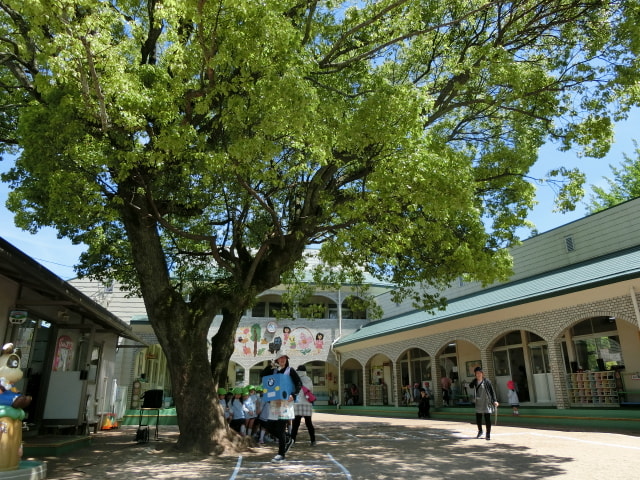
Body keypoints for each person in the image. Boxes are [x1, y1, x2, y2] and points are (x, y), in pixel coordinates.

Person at [261, 353, 302, 463]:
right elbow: (262, 375)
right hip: (274, 403)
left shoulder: (290, 370)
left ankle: (281, 454)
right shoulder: (274, 371)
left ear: (287, 359)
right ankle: (288, 439)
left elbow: (299, 383)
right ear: (277, 360)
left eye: (284, 358)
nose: (282, 360)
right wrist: (271, 365)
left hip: (285, 404)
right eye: (280, 358)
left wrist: (293, 395)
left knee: (280, 429)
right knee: (269, 427)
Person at [469, 366, 499, 440]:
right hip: (478, 402)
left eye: (480, 373)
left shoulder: (487, 381)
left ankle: (488, 434)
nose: (478, 374)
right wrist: (473, 381)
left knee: (487, 418)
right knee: (478, 418)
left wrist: (495, 400)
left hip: (487, 401)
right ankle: (480, 431)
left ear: (482, 373)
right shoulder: (475, 381)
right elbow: (470, 386)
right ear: (475, 374)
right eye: (477, 373)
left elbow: (492, 391)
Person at [290, 364, 317, 446]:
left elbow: (292, 389)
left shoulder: (294, 378)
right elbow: (311, 390)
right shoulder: (308, 379)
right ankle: (313, 441)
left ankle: (292, 441)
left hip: (297, 403)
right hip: (307, 403)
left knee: (295, 424)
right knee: (309, 423)